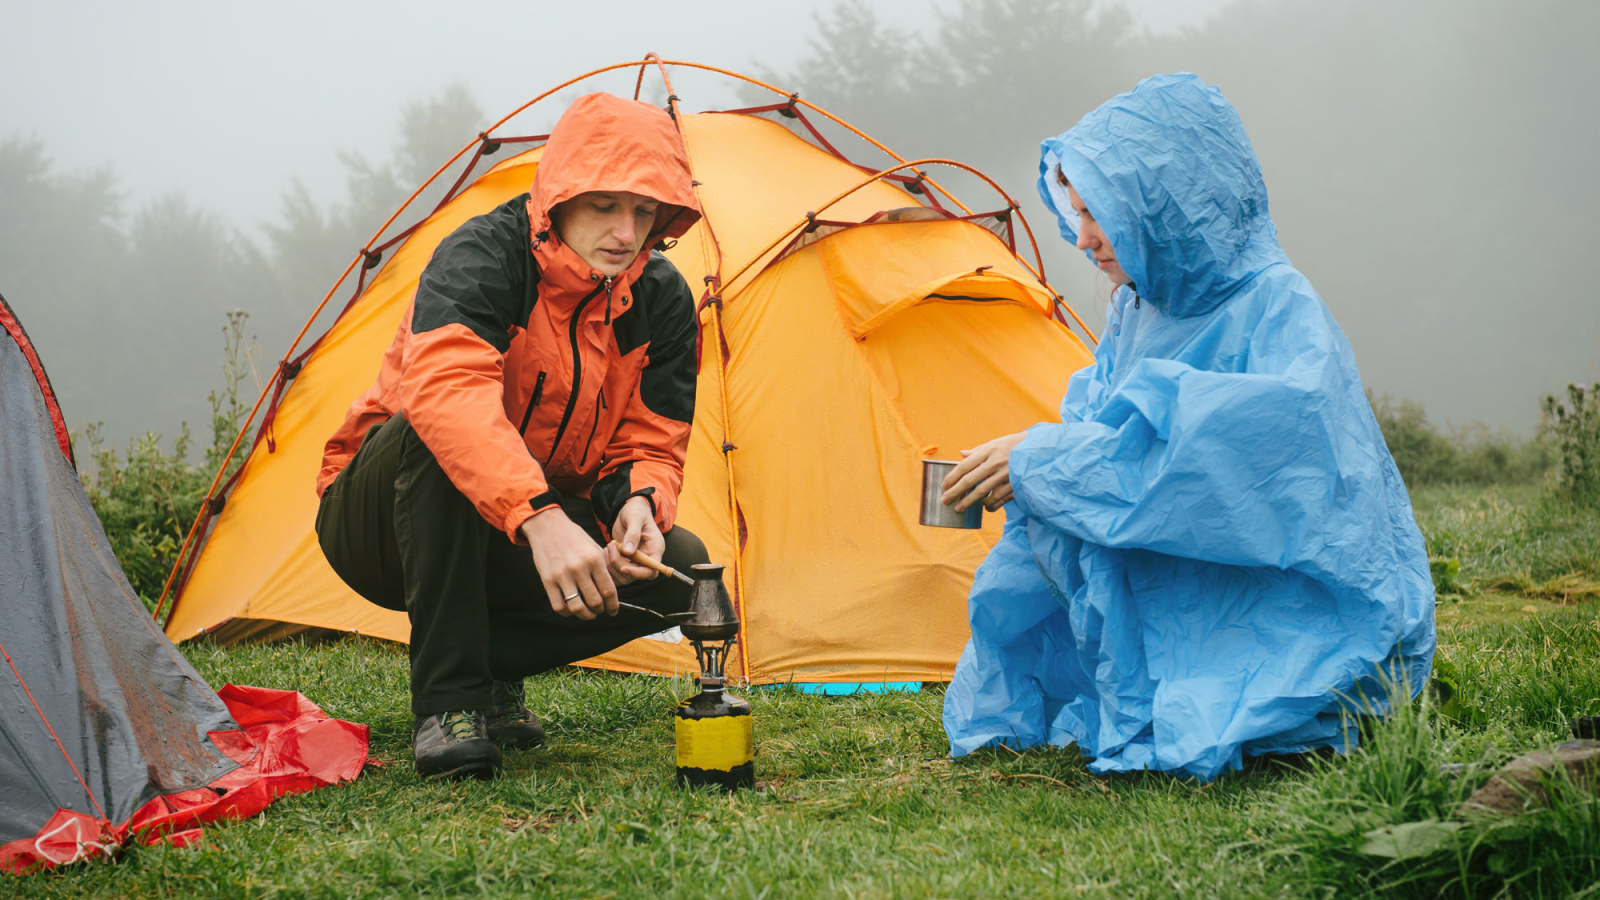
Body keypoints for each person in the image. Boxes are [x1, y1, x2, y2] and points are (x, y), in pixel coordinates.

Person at [939, 74, 1436, 780]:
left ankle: (1247, 695)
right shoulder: (1139, 307)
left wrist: (1047, 458)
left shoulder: (1275, 305)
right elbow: (1105, 432)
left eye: (1099, 214)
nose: (1081, 239)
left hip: (1292, 595)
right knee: (1049, 499)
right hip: (1184, 585)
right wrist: (1036, 464)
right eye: (1073, 212)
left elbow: (1240, 463)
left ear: (1159, 208)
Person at [314, 92, 708, 780]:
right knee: (434, 434)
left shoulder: (662, 298)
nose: (626, 231)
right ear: (560, 196)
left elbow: (651, 438)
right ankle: (452, 703)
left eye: (646, 211)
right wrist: (541, 516)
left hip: (515, 525)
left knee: (679, 569)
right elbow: (445, 392)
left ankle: (486, 663)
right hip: (383, 521)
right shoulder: (483, 255)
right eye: (606, 205)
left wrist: (636, 506)